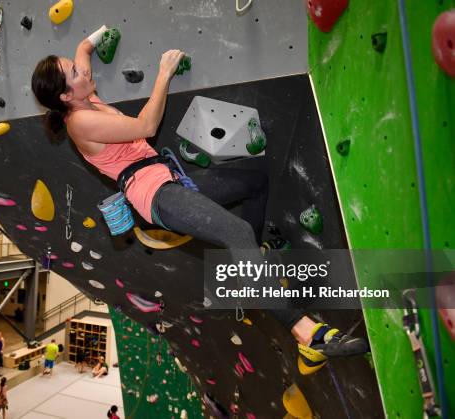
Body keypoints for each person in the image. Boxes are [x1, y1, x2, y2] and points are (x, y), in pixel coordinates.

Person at [31, 27, 368, 374]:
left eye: (76, 65)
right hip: (155, 195)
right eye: (74, 72)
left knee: (255, 182)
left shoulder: (83, 94)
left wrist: (95, 37)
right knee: (236, 231)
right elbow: (146, 126)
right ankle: (306, 334)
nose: (82, 70)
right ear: (65, 98)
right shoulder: (81, 121)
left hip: (170, 179)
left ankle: (248, 267)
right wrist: (164, 73)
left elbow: (84, 48)